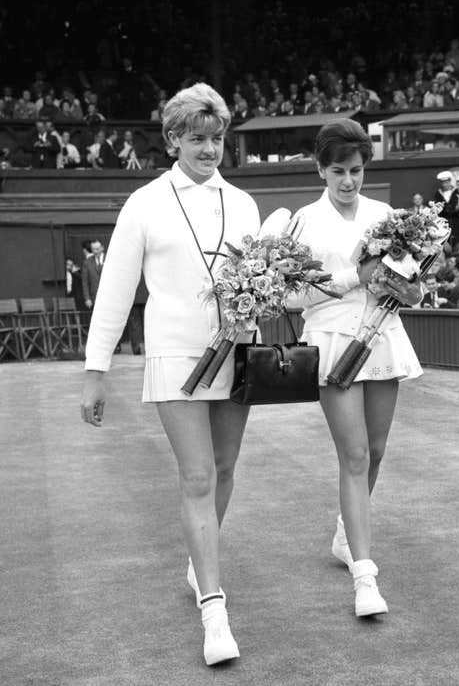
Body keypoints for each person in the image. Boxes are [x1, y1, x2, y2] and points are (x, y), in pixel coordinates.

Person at [81, 83, 260, 666]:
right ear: (173, 139)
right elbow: (115, 290)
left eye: (216, 138)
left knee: (226, 469)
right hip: (173, 358)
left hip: (237, 354)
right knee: (199, 477)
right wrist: (95, 371)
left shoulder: (245, 204)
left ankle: (196, 563)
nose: (209, 149)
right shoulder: (144, 202)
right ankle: (214, 607)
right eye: (196, 138)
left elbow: (257, 283)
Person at [290, 118, 423, 618]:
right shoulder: (303, 221)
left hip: (382, 335)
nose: (349, 181)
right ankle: (364, 577)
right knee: (356, 454)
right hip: (329, 340)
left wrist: (409, 284)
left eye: (357, 171)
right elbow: (291, 294)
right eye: (339, 171)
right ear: (321, 170)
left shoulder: (386, 214)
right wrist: (354, 276)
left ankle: (346, 537)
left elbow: (404, 283)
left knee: (378, 449)